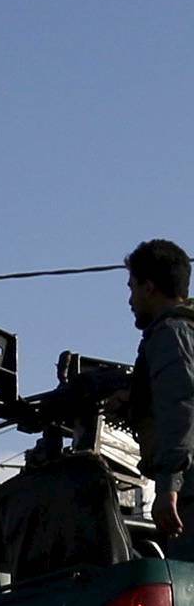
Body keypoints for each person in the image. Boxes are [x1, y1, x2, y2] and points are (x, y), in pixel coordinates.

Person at [126, 239, 194, 561]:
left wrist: (169, 487)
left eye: (132, 287)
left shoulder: (170, 334)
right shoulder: (187, 330)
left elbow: (180, 407)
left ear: (149, 287)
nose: (130, 299)